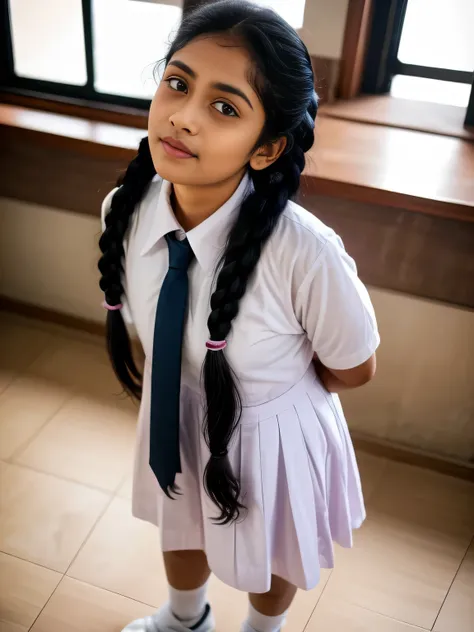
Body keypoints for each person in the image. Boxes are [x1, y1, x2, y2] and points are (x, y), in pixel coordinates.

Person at [98, 2, 379, 631]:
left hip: (271, 429)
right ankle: (183, 619)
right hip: (177, 403)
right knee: (181, 516)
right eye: (177, 83)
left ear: (267, 147)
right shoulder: (126, 208)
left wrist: (276, 390)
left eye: (224, 107)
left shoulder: (303, 252)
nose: (183, 118)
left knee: (271, 551)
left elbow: (355, 368)